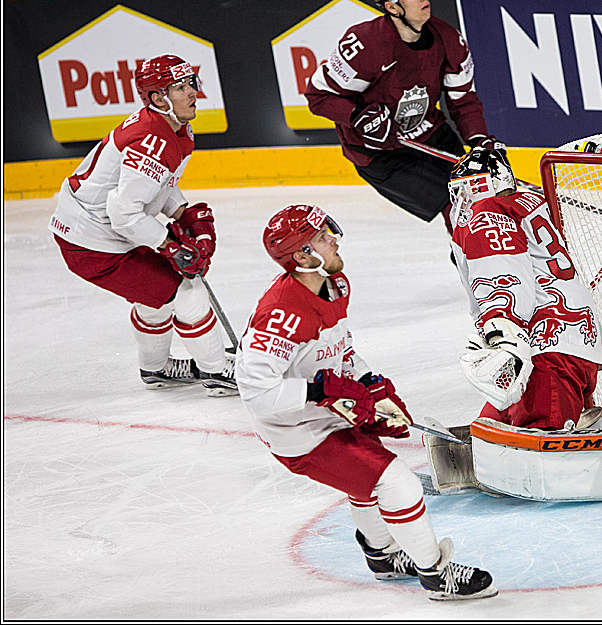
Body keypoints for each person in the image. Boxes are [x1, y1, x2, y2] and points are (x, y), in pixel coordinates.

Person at [234, 204, 496, 601]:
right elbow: (257, 393)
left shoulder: (334, 285)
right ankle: (435, 573)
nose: (334, 240)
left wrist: (369, 384)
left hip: (325, 408)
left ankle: (383, 556)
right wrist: (321, 392)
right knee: (397, 482)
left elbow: (340, 350)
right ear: (302, 255)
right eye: (323, 237)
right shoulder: (280, 314)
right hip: (296, 430)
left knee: (367, 483)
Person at [443, 148, 602, 504]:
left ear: (483, 185)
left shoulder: (488, 213)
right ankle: (593, 425)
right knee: (493, 429)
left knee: (540, 443)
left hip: (543, 351)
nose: (461, 200)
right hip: (573, 343)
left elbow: (504, 275)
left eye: (465, 188)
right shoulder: (526, 202)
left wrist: (502, 334)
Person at [48, 54, 237, 397]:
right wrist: (171, 246)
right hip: (93, 242)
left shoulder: (172, 127)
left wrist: (182, 212)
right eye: (180, 87)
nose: (192, 92)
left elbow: (153, 185)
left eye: (191, 82)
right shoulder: (153, 139)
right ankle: (217, 371)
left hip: (98, 232)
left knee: (155, 296)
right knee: (186, 290)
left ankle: (156, 369)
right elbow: (124, 212)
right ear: (158, 98)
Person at [304, 0, 504, 234]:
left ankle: (478, 253)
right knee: (455, 204)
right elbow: (318, 96)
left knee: (477, 194)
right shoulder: (365, 44)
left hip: (430, 132)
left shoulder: (449, 40)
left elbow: (463, 101)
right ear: (392, 7)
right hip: (380, 153)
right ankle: (471, 253)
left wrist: (479, 140)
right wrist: (357, 117)